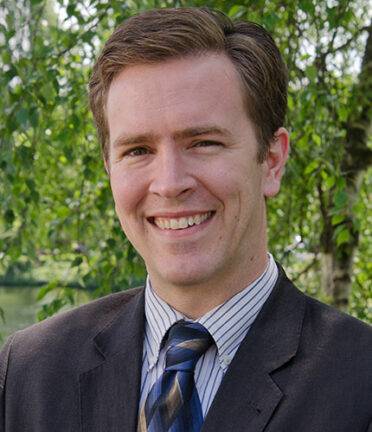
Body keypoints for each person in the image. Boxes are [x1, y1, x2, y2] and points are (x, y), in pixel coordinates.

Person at [0, 7, 371, 432]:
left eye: (203, 143)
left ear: (271, 160)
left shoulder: (361, 381)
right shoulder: (28, 372)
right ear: (109, 168)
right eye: (137, 150)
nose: (170, 183)